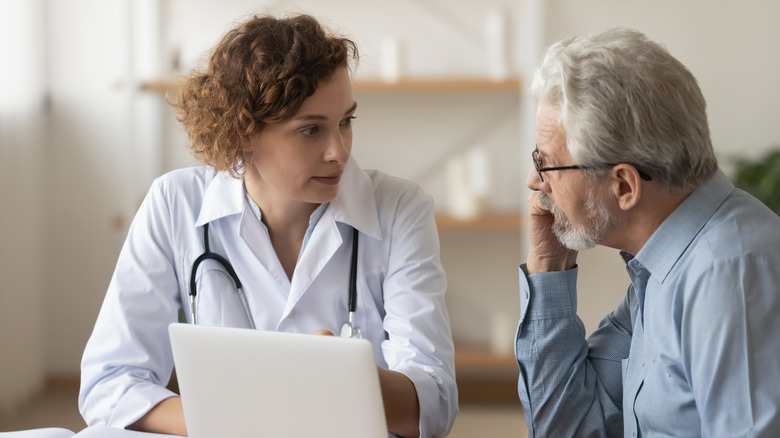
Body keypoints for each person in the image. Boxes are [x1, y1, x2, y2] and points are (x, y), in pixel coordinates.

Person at [78, 14, 457, 438]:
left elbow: (435, 403)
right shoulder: (174, 204)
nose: (339, 151)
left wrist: (344, 381)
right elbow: (109, 383)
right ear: (243, 133)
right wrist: (231, 422)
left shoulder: (400, 209)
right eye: (311, 130)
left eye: (346, 122)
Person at [516, 28, 780, 437]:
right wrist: (550, 265)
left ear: (623, 185)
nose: (535, 181)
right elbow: (569, 427)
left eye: (546, 162)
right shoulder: (659, 268)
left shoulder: (730, 276)